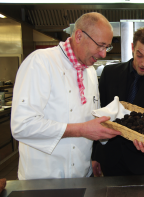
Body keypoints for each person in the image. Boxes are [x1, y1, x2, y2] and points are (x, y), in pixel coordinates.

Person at [11, 12, 121, 180]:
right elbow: (22, 125)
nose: (103, 54)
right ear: (79, 36)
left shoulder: (90, 72)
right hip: (43, 180)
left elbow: (91, 119)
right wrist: (81, 129)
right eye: (100, 45)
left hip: (82, 176)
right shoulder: (41, 62)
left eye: (107, 47)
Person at [92, 26, 144, 177]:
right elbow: (99, 116)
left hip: (141, 163)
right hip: (109, 159)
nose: (143, 63)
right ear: (132, 48)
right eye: (139, 55)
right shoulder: (110, 74)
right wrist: (96, 156)